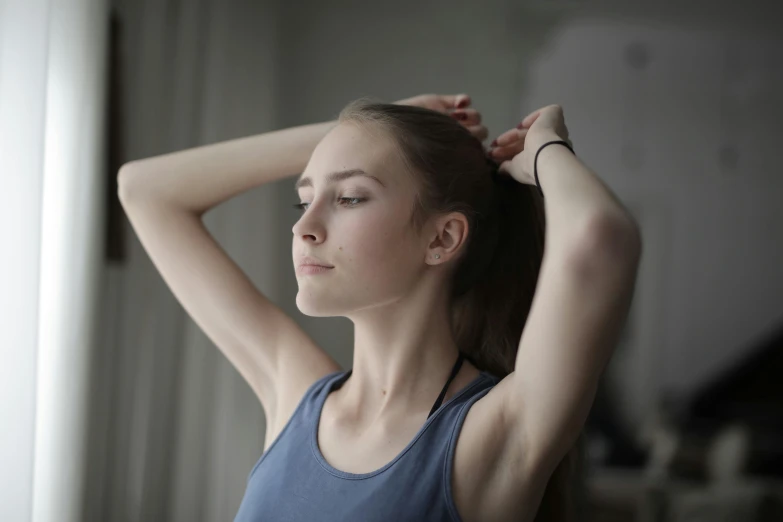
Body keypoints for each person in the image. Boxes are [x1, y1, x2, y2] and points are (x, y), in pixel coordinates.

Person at [118, 92, 642, 522]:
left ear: (442, 237)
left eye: (349, 198)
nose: (304, 227)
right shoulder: (295, 396)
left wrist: (545, 149)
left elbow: (599, 235)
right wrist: (358, 133)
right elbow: (143, 190)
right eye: (304, 199)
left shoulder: (489, 436)